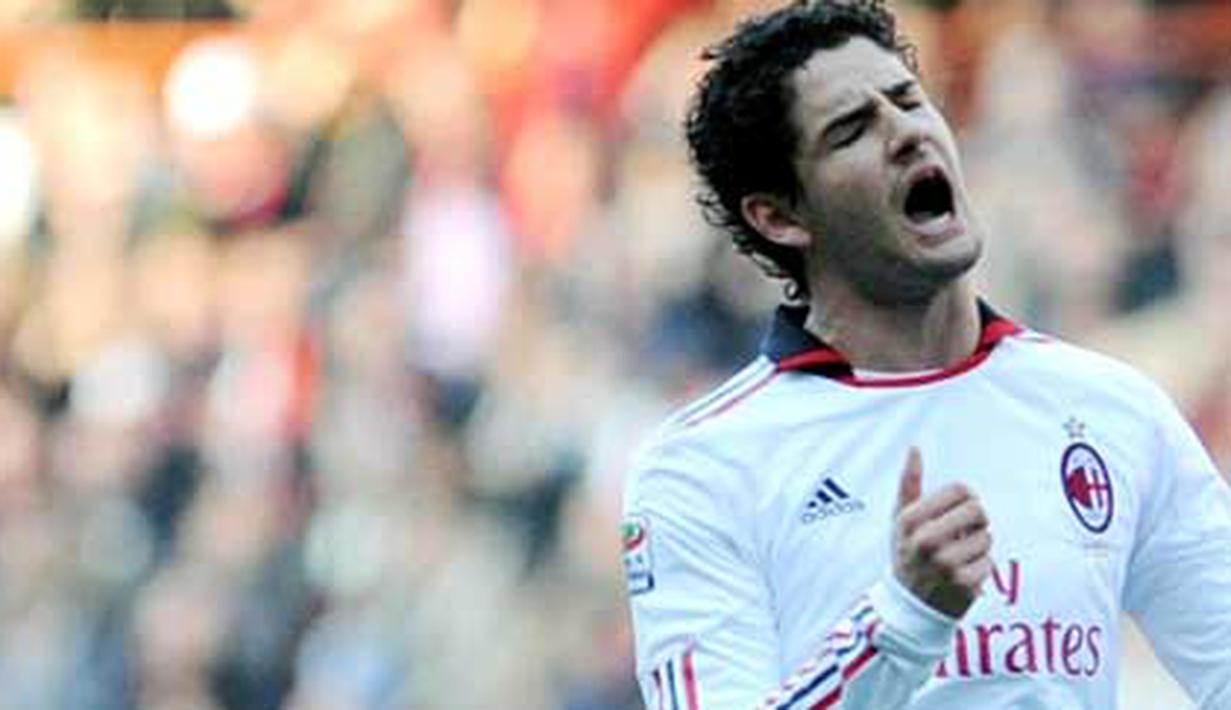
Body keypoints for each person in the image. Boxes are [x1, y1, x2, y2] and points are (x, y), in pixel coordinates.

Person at [620, 1, 1231, 708]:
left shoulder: (1109, 408)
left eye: (907, 99)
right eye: (851, 130)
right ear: (779, 216)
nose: (905, 132)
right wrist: (906, 618)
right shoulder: (702, 468)